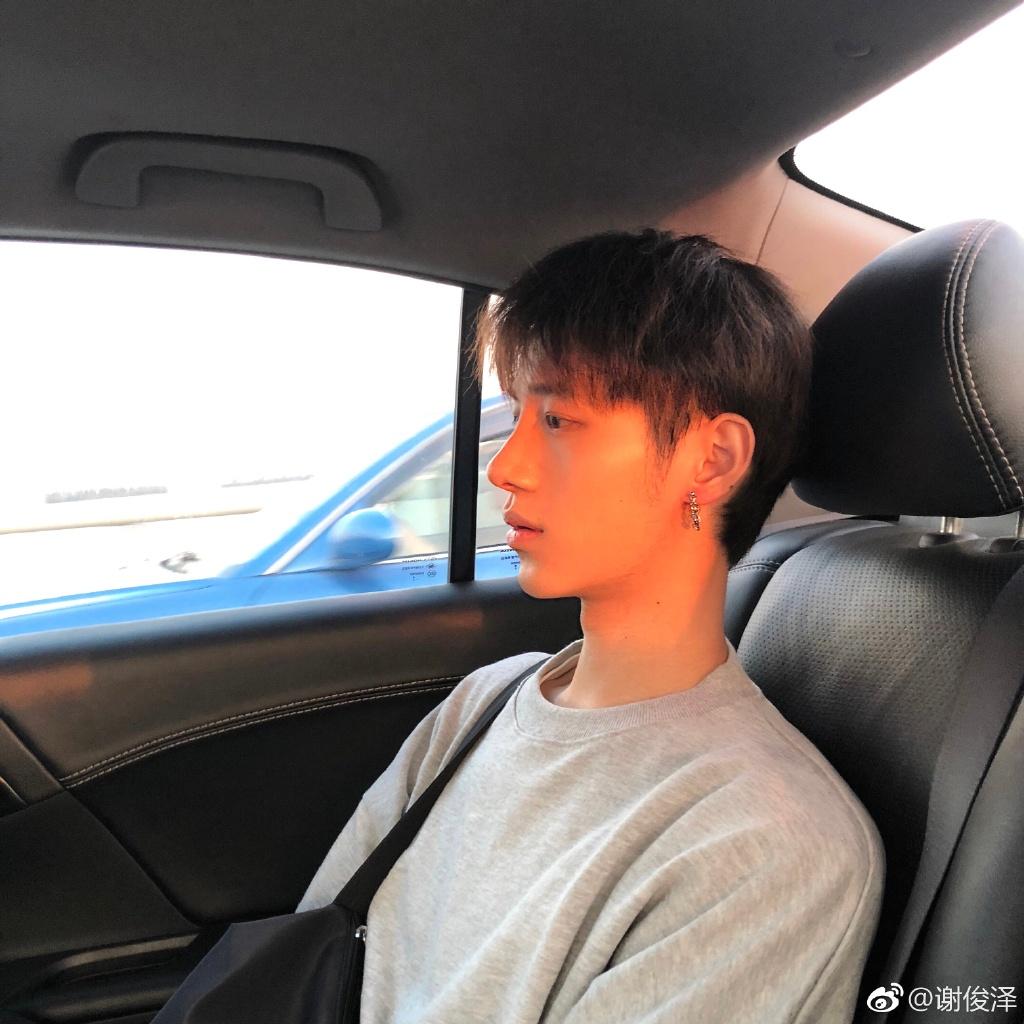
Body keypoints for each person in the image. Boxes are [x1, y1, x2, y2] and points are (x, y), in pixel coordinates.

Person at [297, 229, 885, 1023]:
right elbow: (315, 951)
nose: (503, 467)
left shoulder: (767, 845)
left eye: (560, 420)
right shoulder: (485, 702)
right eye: (517, 415)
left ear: (711, 460)